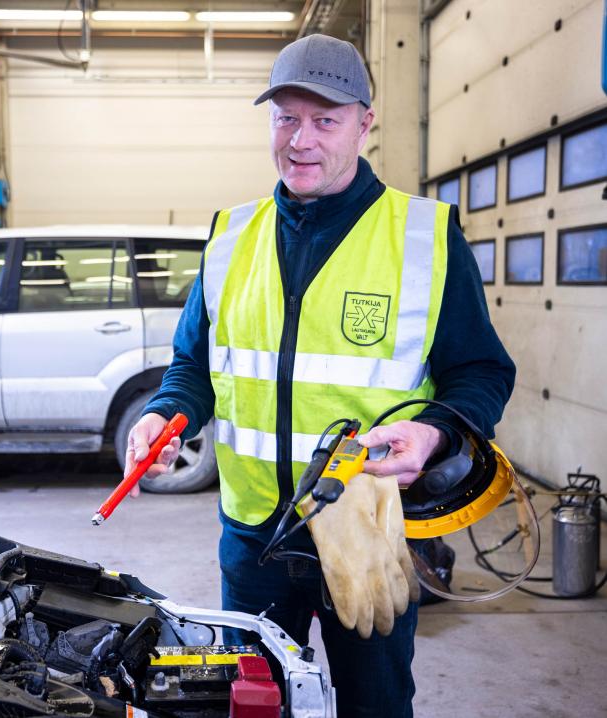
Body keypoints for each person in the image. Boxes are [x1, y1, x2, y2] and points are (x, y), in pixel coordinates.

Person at [124, 34, 515, 717]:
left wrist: (433, 433)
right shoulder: (228, 237)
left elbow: (480, 372)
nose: (300, 140)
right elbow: (193, 366)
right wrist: (167, 414)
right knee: (249, 704)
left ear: (364, 123)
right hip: (251, 541)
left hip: (364, 530)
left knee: (375, 704)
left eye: (325, 119)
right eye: (285, 117)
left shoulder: (422, 235)